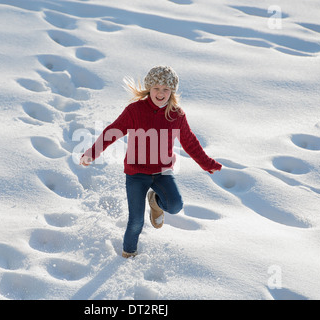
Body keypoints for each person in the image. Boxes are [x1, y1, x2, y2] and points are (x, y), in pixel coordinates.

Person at [80, 66, 222, 258]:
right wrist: (92, 152)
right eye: (156, 88)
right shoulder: (135, 111)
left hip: (162, 172)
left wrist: (206, 163)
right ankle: (128, 254)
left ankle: (155, 201)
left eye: (166, 89)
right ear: (149, 88)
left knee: (175, 205)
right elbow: (112, 131)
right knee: (136, 221)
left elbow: (189, 141)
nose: (161, 93)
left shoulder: (176, 115)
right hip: (136, 174)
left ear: (172, 91)